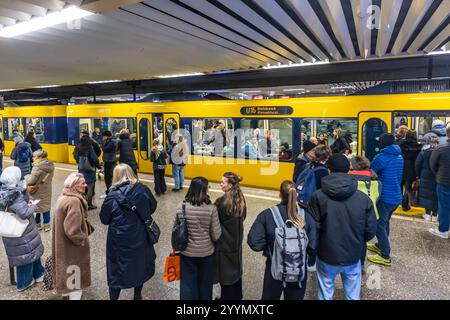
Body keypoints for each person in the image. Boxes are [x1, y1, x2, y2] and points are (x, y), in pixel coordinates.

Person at [307, 154, 377, 300]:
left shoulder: (317, 196)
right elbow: (370, 231)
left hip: (326, 255)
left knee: (325, 293)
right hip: (353, 255)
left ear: (329, 171)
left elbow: (312, 229)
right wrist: (357, 241)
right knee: (352, 295)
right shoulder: (363, 199)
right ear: (348, 171)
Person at [248, 180, 317, 300]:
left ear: (280, 194)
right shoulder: (306, 217)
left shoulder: (267, 215)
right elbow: (313, 247)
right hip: (298, 270)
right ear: (297, 195)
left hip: (274, 271)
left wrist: (272, 248)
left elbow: (254, 243)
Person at [100, 164, 157, 300]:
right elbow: (152, 207)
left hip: (118, 240)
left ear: (116, 176)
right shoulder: (143, 189)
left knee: (116, 269)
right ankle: (137, 295)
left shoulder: (111, 196)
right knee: (139, 264)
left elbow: (104, 219)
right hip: (140, 235)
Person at [174, 177, 222, 300]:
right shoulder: (211, 208)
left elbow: (176, 230)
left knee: (188, 285)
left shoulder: (181, 207)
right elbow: (216, 235)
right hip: (206, 254)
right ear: (204, 190)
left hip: (187, 253)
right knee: (205, 284)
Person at [0, 166, 45, 292]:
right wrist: (33, 206)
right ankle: (24, 283)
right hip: (22, 231)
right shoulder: (14, 194)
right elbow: (24, 213)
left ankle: (39, 273)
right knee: (25, 256)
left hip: (11, 231)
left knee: (31, 253)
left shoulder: (3, 190)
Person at [53, 173, 92, 300]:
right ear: (74, 186)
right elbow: (72, 230)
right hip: (72, 250)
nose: (85, 185)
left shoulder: (63, 196)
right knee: (75, 281)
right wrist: (81, 239)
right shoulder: (74, 201)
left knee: (67, 277)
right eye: (82, 183)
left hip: (62, 246)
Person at [367, 133, 403, 266]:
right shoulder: (399, 155)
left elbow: (370, 172)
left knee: (378, 225)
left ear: (382, 143)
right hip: (396, 195)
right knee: (385, 222)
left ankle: (385, 255)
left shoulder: (381, 157)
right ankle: (380, 245)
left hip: (384, 196)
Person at [214, 172, 246, 300]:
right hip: (236, 242)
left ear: (231, 185)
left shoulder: (221, 202)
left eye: (223, 182)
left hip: (224, 245)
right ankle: (237, 297)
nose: (220, 184)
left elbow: (214, 223)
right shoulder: (240, 198)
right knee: (236, 273)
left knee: (226, 277)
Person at [349, 156, 380, 269]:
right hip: (372, 215)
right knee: (362, 242)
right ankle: (361, 265)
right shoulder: (375, 179)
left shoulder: (351, 179)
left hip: (355, 214)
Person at [24, 149, 55, 232]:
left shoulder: (37, 168)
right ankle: (47, 226)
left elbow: (31, 181)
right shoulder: (51, 165)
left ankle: (38, 225)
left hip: (36, 191)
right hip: (47, 189)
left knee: (36, 208)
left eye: (34, 157)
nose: (33, 158)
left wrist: (26, 176)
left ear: (39, 158)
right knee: (46, 208)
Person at [429, 126, 450, 239]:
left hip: (444, 181)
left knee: (444, 206)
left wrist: (439, 173)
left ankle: (443, 230)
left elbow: (432, 165)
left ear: (447, 134)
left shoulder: (440, 149)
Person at [73, 134, 101, 210]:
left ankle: (82, 203)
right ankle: (89, 205)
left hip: (81, 170)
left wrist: (78, 161)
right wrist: (99, 166)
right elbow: (95, 159)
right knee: (89, 188)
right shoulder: (89, 147)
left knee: (82, 187)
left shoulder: (78, 146)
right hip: (89, 170)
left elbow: (75, 155)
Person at [415, 135, 440, 221]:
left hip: (425, 176)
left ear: (428, 142)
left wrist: (418, 175)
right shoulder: (441, 151)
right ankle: (435, 214)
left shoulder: (424, 151)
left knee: (427, 195)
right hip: (438, 177)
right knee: (436, 195)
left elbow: (417, 164)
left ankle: (427, 213)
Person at [400, 129, 422, 210]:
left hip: (402, 168)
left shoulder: (401, 144)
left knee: (400, 186)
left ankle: (401, 202)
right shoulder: (419, 147)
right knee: (408, 188)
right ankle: (407, 204)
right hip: (413, 169)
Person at [101, 131, 118, 195]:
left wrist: (103, 143)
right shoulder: (112, 141)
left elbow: (104, 149)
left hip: (109, 160)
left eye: (104, 136)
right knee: (109, 177)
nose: (103, 137)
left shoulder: (111, 142)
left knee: (108, 177)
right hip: (110, 160)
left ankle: (109, 191)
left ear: (106, 136)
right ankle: (109, 190)